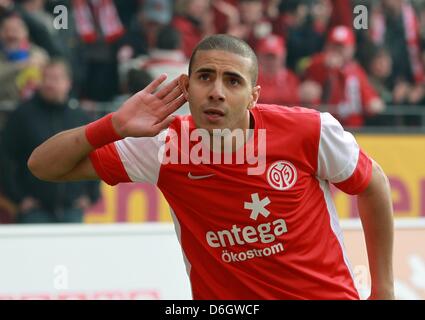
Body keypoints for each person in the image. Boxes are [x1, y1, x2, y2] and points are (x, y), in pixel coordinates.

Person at [27, 35, 394, 299]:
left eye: (232, 81)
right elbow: (43, 166)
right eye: (205, 77)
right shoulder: (164, 146)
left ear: (254, 95)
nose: (216, 91)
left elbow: (373, 184)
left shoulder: (310, 130)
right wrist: (111, 126)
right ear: (187, 86)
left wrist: (384, 290)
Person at [2, 59, 100, 223]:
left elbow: (95, 155)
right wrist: (19, 198)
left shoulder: (80, 116)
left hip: (72, 209)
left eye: (55, 78)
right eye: (45, 78)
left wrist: (91, 195)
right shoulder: (22, 115)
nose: (49, 83)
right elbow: (6, 159)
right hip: (34, 210)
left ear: (68, 82)